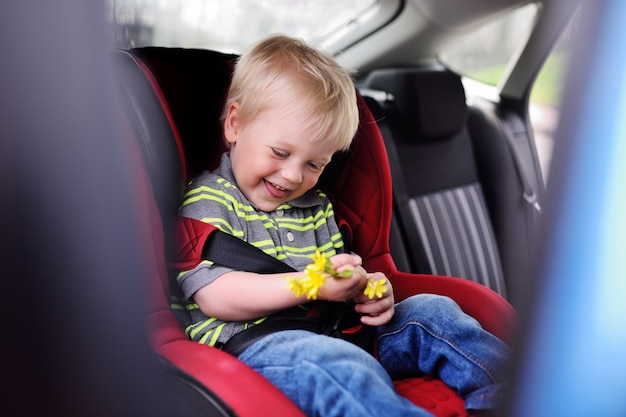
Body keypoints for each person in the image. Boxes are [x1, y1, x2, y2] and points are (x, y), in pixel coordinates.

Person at [176, 33, 509, 417]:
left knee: (433, 312)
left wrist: (366, 289)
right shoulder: (208, 199)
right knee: (337, 365)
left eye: (314, 164)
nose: (292, 175)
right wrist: (312, 283)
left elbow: (339, 278)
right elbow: (215, 297)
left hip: (336, 329)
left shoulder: (315, 207)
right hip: (258, 349)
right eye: (281, 152)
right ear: (235, 124)